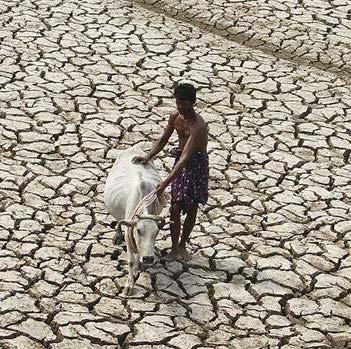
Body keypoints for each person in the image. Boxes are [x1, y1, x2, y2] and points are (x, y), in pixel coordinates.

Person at [132, 83, 209, 261]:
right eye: (178, 103)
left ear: (193, 103)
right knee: (175, 205)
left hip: (195, 165)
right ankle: (174, 248)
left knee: (191, 206)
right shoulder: (175, 117)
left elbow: (185, 158)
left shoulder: (198, 126)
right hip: (180, 164)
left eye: (185, 104)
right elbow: (163, 140)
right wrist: (148, 156)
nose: (181, 107)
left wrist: (164, 184)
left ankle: (182, 245)